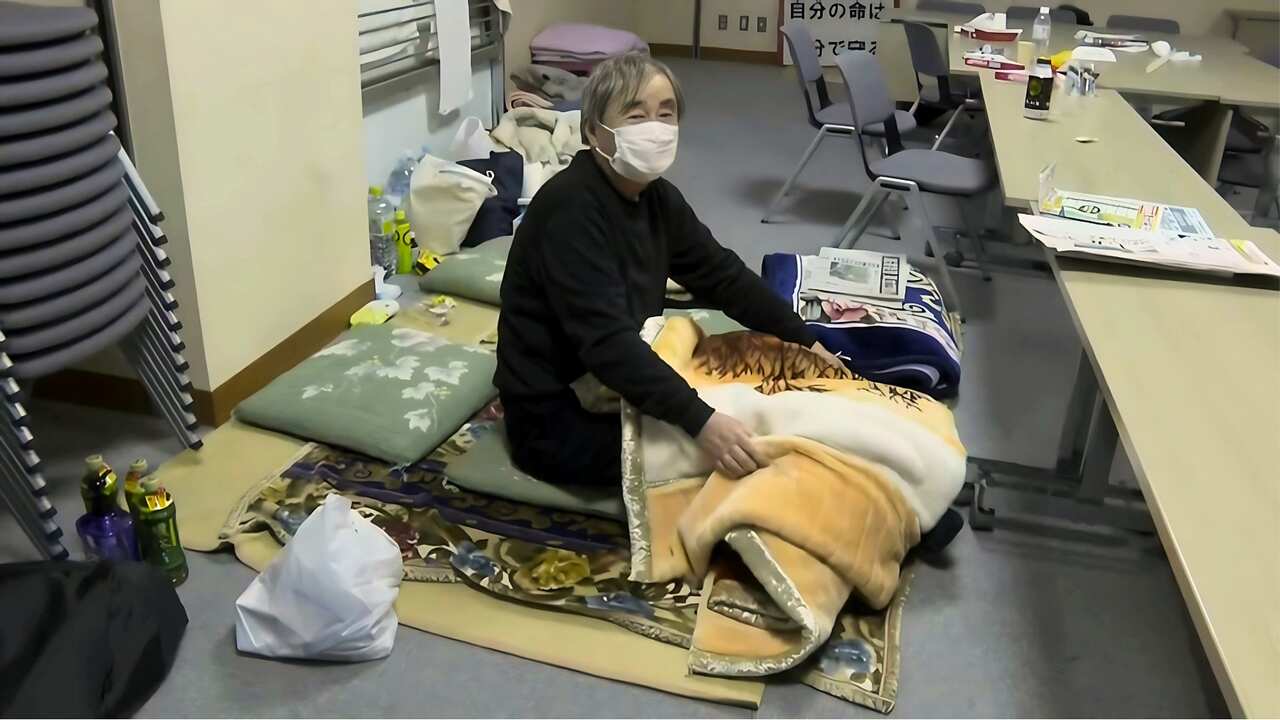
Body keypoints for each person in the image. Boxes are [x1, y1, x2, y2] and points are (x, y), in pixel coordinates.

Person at [495, 54, 839, 487]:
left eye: (665, 114)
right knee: (755, 453)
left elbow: (723, 276)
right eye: (635, 116)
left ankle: (906, 460)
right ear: (593, 130)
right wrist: (702, 423)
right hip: (558, 416)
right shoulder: (570, 209)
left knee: (778, 386)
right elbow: (606, 343)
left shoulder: (658, 199)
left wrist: (804, 338)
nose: (654, 128)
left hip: (612, 384)